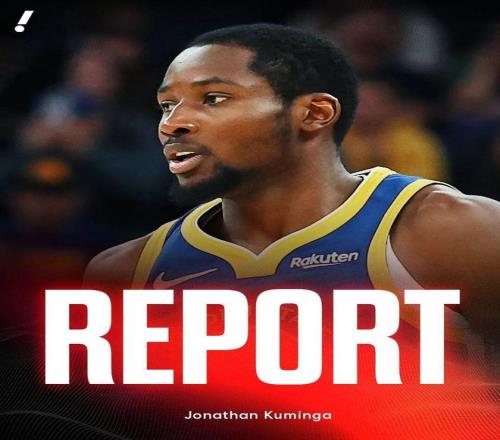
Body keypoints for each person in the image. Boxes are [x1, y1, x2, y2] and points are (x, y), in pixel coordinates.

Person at [85, 23, 499, 347]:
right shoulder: (125, 271)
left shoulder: (453, 231)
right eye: (167, 105)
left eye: (213, 98)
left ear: (315, 113)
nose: (172, 123)